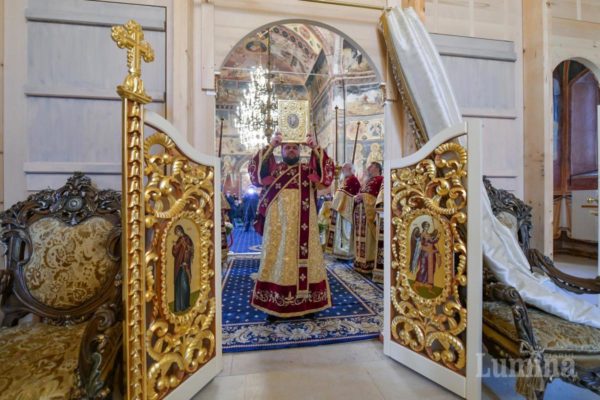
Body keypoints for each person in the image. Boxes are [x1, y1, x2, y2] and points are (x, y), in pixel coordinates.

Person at [248, 131, 335, 319]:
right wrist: (271, 145)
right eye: (287, 147)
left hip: (305, 227)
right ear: (281, 151)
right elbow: (255, 174)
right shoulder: (274, 171)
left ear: (300, 150)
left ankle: (309, 304)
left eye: (295, 148)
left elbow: (326, 176)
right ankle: (274, 303)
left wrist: (315, 148)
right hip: (278, 227)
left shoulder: (308, 171)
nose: (291, 150)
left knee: (307, 260)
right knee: (278, 259)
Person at [325, 163, 361, 259]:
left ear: (350, 169)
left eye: (344, 168)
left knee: (346, 231)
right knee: (340, 231)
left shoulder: (353, 180)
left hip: (346, 210)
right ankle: (339, 252)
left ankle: (346, 253)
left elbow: (352, 196)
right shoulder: (346, 180)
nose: (342, 170)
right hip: (340, 209)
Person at [353, 161, 383, 274]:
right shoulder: (368, 181)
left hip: (369, 214)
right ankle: (359, 262)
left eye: (371, 166)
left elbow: (379, 198)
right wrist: (356, 198)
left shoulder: (381, 179)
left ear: (377, 168)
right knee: (360, 238)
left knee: (368, 239)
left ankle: (369, 263)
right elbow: (361, 193)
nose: (368, 168)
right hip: (361, 214)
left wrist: (363, 197)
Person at [172, 225, 194, 312]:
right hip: (179, 265)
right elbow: (175, 253)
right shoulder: (180, 239)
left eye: (177, 232)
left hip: (184, 265)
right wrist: (174, 246)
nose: (177, 234)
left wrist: (185, 261)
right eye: (176, 233)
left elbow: (189, 251)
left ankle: (184, 305)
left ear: (180, 230)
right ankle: (179, 307)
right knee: (179, 285)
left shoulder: (186, 239)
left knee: (184, 285)